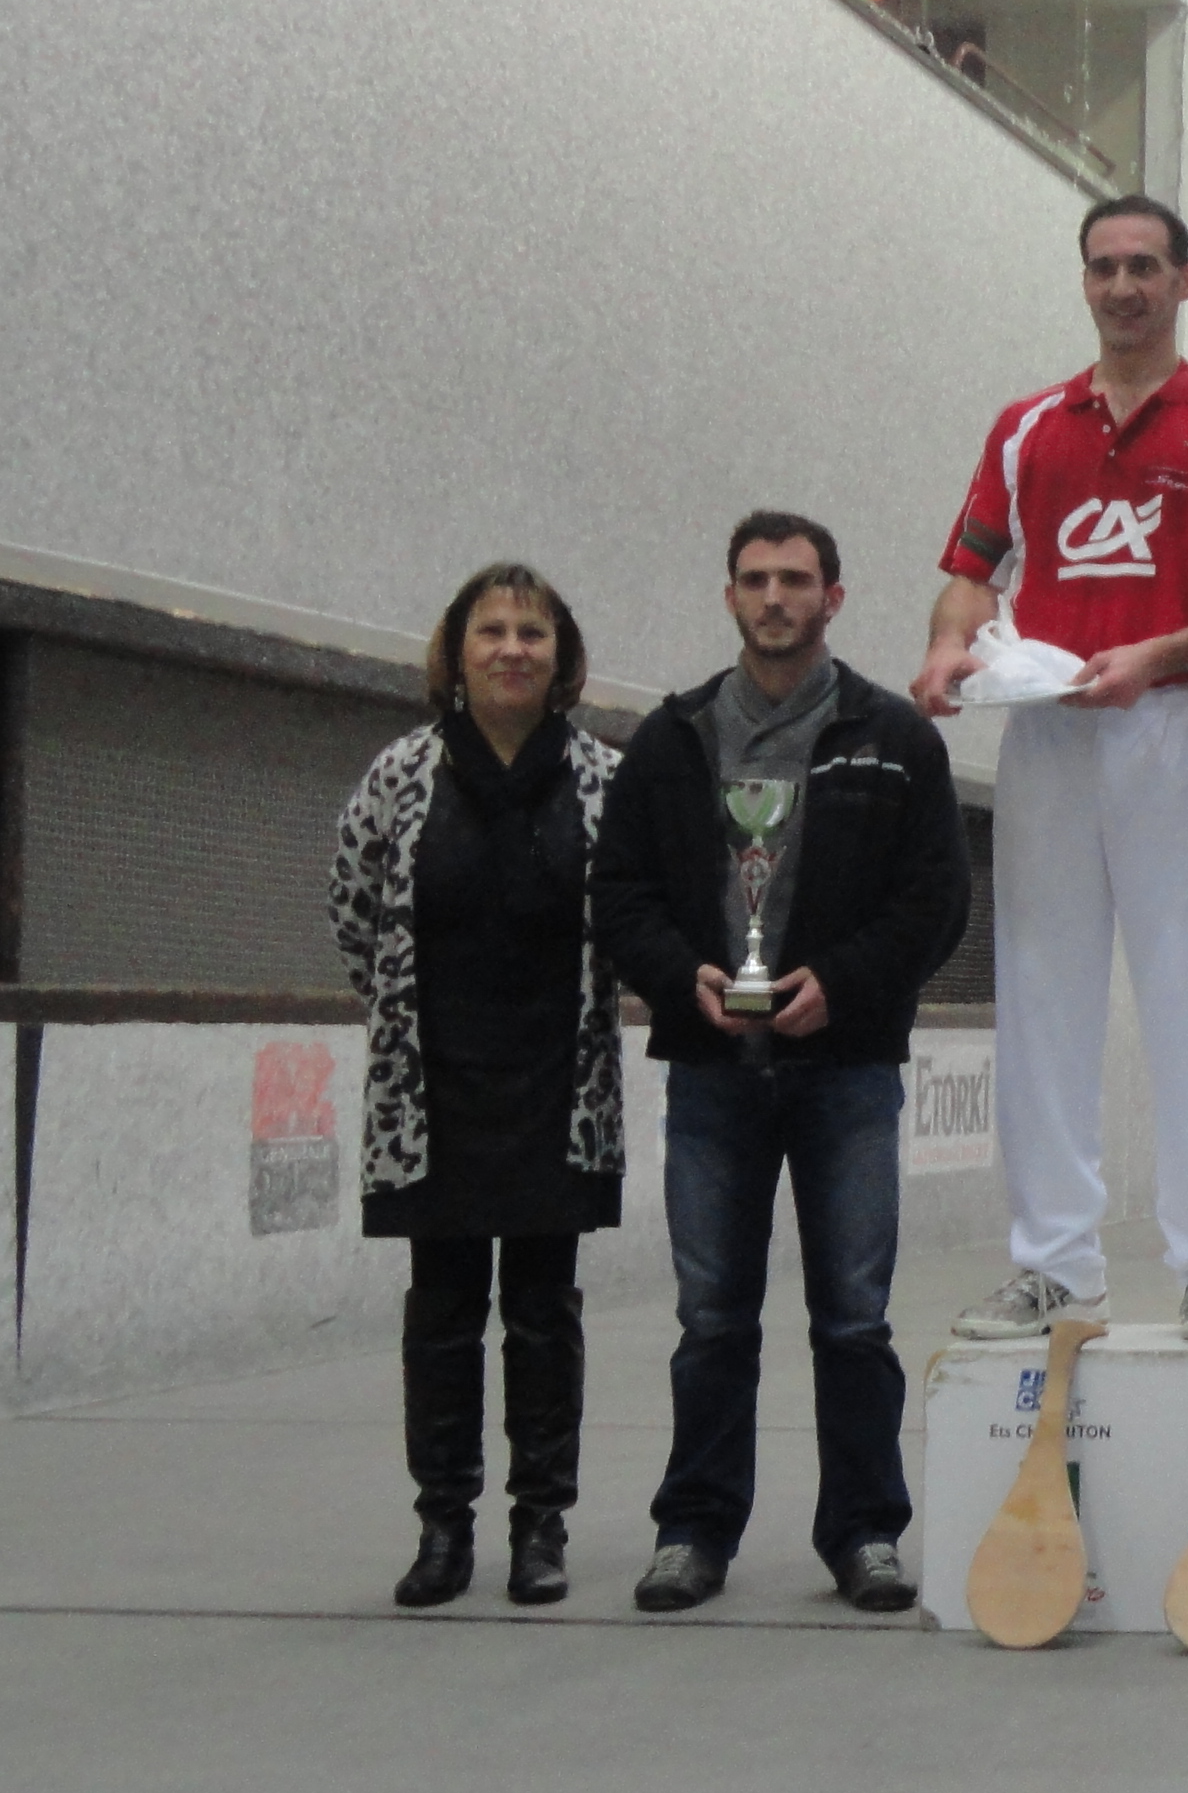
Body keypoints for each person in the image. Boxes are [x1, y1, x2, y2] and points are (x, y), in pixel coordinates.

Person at [916, 194, 1188, 1345]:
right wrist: (947, 645)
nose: (1123, 286)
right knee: (1042, 994)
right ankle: (1054, 1268)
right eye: (1104, 267)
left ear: (1185, 281)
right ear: (1084, 280)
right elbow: (972, 573)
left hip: (1170, 726)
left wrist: (1155, 657)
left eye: (1145, 266)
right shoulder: (1027, 426)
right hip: (1046, 732)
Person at [591, 513, 970, 1616]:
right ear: (729, 597)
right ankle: (693, 1531)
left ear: (833, 598)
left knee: (854, 1317)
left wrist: (840, 985)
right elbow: (620, 895)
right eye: (754, 579)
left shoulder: (895, 738)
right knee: (712, 1318)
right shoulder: (672, 739)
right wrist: (684, 980)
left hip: (847, 1072)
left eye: (795, 580)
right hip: (713, 1072)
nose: (774, 597)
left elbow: (935, 902)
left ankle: (865, 1534)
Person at [329, 562, 625, 1610]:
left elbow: (635, 914)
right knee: (443, 1316)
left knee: (545, 1316)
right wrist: (404, 1018)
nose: (512, 649)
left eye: (532, 633)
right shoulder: (400, 772)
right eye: (492, 631)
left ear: (561, 656)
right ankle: (442, 1530)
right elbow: (353, 907)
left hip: (558, 1090)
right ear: (456, 653)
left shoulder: (606, 779)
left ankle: (540, 1528)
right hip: (433, 1096)